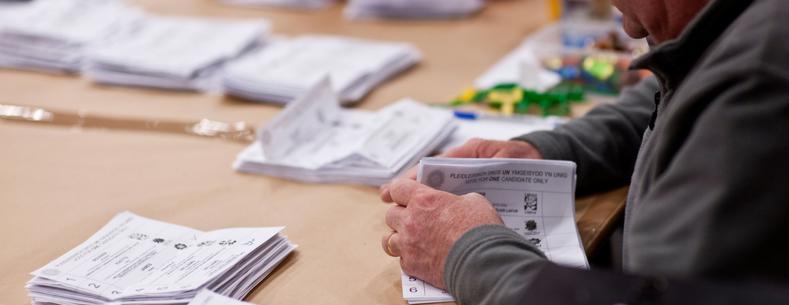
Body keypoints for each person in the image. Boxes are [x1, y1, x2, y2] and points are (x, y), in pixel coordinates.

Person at [380, 0, 789, 303]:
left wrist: (466, 252)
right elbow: (672, 91)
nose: (621, 24)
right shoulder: (739, 28)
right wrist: (544, 151)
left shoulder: (762, 78)